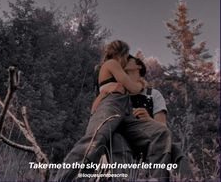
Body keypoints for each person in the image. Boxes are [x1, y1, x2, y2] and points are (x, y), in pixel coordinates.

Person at [58, 40, 171, 182]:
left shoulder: (151, 93)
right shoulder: (112, 64)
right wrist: (140, 83)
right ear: (122, 54)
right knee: (94, 141)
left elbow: (116, 90)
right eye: (127, 56)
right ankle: (63, 178)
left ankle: (157, 179)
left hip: (124, 113)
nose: (127, 61)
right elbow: (131, 88)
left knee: (161, 132)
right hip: (112, 106)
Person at [98, 55, 193, 181]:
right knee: (115, 139)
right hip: (121, 139)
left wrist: (148, 119)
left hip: (149, 141)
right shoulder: (116, 92)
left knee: (176, 151)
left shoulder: (153, 94)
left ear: (139, 70)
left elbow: (162, 127)